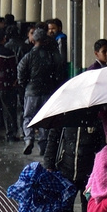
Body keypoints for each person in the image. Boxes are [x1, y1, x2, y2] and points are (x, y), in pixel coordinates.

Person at [17, 27, 66, 155]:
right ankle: (43, 144)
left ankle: (29, 139)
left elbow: (21, 71)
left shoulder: (28, 56)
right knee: (44, 118)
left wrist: (25, 84)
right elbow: (58, 72)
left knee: (28, 116)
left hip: (31, 91)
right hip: (47, 91)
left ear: (33, 40)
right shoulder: (51, 56)